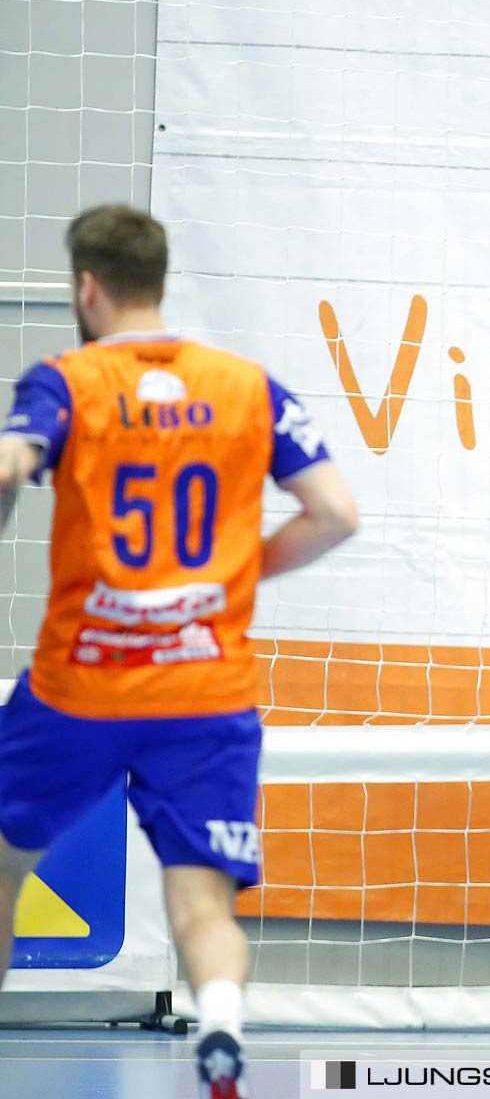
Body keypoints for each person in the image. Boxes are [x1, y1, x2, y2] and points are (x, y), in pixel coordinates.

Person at [0, 205, 359, 1099]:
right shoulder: (249, 387)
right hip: (204, 691)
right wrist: (237, 575)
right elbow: (337, 515)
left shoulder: (65, 380)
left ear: (86, 287)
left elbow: (10, 463)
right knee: (202, 899)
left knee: (3, 863)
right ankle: (224, 1033)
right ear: (157, 282)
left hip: (80, 687)